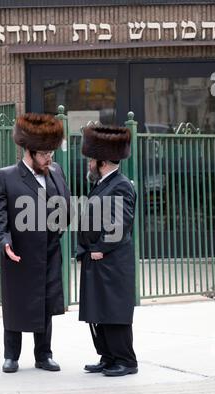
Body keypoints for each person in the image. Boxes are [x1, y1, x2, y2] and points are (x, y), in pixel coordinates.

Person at [0, 113, 70, 373]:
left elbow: (64, 205)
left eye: (51, 152)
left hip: (49, 250)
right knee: (16, 303)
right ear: (29, 150)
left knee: (45, 303)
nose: (50, 158)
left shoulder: (56, 171)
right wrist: (4, 242)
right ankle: (11, 355)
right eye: (45, 153)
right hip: (19, 252)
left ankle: (43, 355)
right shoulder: (7, 176)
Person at [77, 124, 138, 377]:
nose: (89, 164)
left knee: (113, 312)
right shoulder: (104, 182)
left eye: (92, 159)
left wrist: (100, 248)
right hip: (97, 259)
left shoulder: (120, 185)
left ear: (101, 161)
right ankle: (108, 356)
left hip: (110, 261)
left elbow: (118, 224)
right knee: (100, 312)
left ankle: (125, 360)